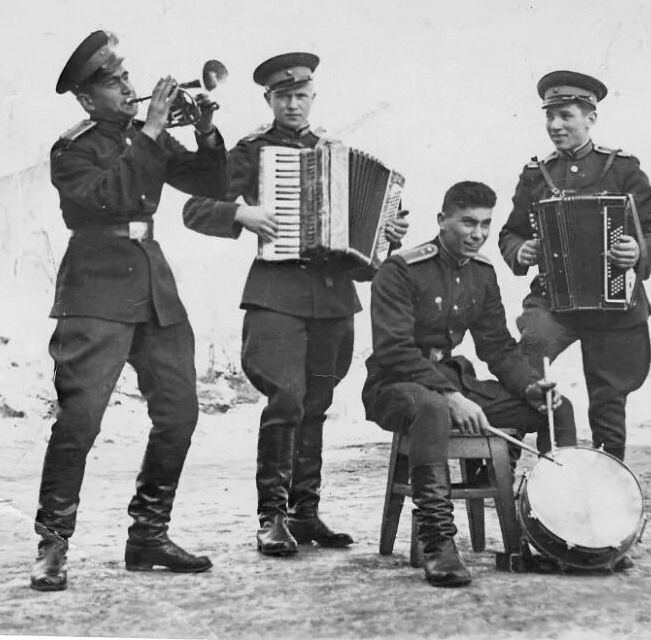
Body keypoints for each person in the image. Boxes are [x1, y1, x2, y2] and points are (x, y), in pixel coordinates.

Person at [182, 52, 409, 557]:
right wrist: (243, 213)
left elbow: (368, 246)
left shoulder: (337, 151)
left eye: (300, 95)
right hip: (276, 296)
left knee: (317, 405)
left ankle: (306, 514)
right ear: (268, 99)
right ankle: (272, 517)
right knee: (285, 401)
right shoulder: (250, 152)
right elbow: (195, 208)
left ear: (312, 96)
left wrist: (386, 235)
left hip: (332, 299)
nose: (292, 103)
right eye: (282, 96)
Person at [30, 30, 226, 591]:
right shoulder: (74, 147)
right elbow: (106, 197)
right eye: (114, 83)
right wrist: (153, 130)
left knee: (180, 412)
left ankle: (148, 536)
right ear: (87, 98)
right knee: (79, 420)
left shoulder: (145, 136)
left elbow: (210, 183)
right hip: (95, 290)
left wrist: (206, 131)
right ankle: (52, 544)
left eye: (125, 76)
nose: (129, 87)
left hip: (152, 287)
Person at [363, 181, 576, 588]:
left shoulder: (482, 273)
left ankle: (557, 528)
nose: (477, 234)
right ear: (442, 220)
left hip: (449, 382)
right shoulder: (401, 269)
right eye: (467, 222)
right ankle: (438, 542)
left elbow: (497, 347)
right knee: (432, 409)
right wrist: (450, 395)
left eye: (485, 224)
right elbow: (393, 350)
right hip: (393, 385)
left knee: (556, 408)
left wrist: (531, 386)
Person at [498, 70, 651, 462]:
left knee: (608, 400)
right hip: (555, 302)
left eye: (566, 115)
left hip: (613, 307)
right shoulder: (535, 174)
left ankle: (609, 484)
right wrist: (520, 250)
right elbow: (511, 233)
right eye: (550, 116)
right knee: (526, 364)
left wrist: (637, 252)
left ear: (590, 117)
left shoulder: (623, 169)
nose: (555, 125)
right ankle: (510, 468)